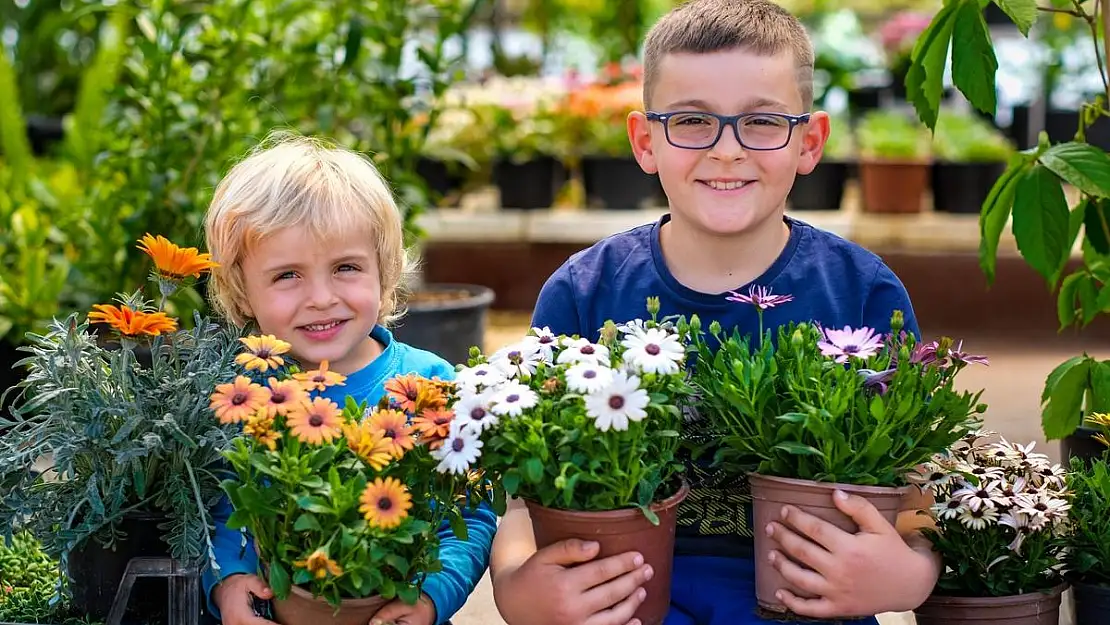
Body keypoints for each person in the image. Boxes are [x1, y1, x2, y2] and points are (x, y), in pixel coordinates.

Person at [488, 1, 940, 624]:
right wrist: (516, 586)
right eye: (692, 121)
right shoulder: (583, 295)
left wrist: (912, 574)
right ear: (645, 141)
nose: (727, 151)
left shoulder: (862, 294)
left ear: (809, 142)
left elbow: (916, 490)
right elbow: (520, 497)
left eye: (761, 121)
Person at [201, 133, 497, 625]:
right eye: (287, 275)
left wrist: (430, 598)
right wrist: (228, 582)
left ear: (384, 274)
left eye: (346, 267)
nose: (321, 297)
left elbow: (468, 515)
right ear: (242, 291)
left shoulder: (430, 383)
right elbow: (217, 505)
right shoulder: (236, 393)